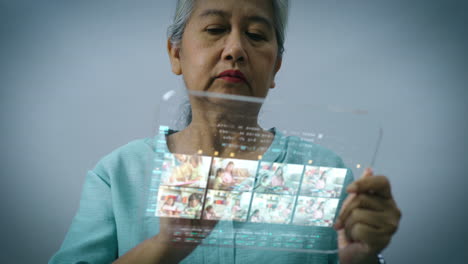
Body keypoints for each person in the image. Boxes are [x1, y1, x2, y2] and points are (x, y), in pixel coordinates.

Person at [50, 0, 401, 263]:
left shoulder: (325, 174)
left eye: (256, 35)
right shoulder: (118, 175)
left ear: (275, 66)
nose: (235, 50)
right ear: (175, 53)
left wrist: (363, 259)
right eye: (215, 29)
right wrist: (165, 246)